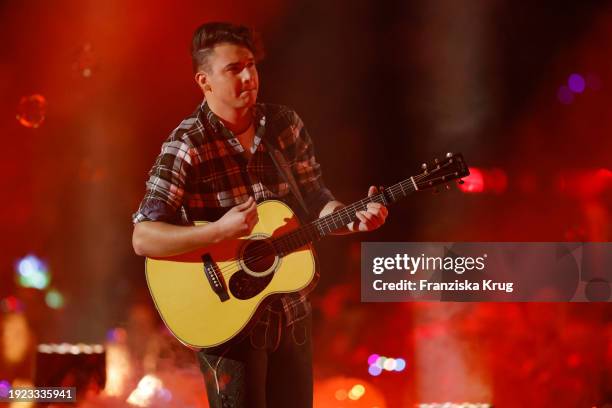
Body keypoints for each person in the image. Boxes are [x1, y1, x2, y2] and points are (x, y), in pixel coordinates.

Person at [131, 22, 388, 408]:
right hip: (226, 324)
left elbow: (317, 200)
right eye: (234, 69)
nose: (249, 77)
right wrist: (218, 232)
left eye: (251, 65)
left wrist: (350, 218)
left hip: (290, 314)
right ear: (205, 81)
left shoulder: (284, 126)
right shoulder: (186, 145)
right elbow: (143, 237)